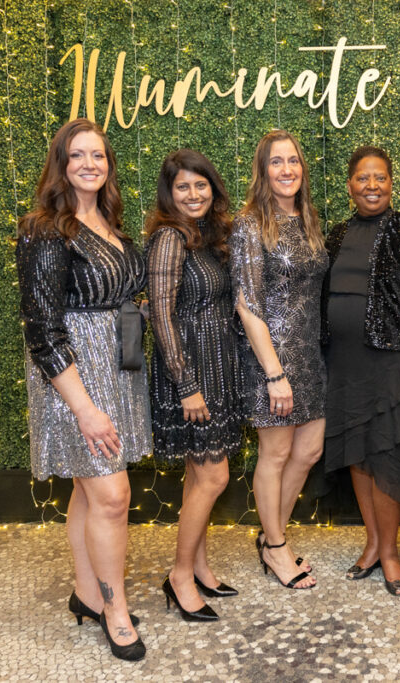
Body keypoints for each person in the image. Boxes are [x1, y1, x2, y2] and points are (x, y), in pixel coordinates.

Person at [16, 118, 149, 661]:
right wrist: (85, 407)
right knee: (113, 496)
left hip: (117, 371)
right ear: (61, 164)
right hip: (74, 378)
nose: (89, 164)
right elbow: (42, 328)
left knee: (89, 490)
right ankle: (115, 611)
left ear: (108, 165)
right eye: (78, 156)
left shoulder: (110, 221)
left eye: (98, 155)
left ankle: (87, 595)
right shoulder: (46, 228)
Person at [320, 146, 400, 596]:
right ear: (349, 184)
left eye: (380, 178)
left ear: (392, 183)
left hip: (394, 364)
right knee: (357, 451)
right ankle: (372, 544)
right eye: (362, 178)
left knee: (387, 456)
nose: (372, 186)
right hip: (344, 365)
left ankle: (390, 553)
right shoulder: (334, 236)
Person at [146, 149, 242, 621]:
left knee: (197, 476)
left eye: (201, 185)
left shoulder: (206, 238)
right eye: (183, 187)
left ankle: (200, 567)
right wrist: (186, 384)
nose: (193, 194)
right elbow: (161, 314)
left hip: (216, 369)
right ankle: (180, 576)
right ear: (170, 194)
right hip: (190, 376)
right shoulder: (169, 239)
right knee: (214, 476)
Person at [230, 130, 328, 590]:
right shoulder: (251, 223)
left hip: (310, 354)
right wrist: (274, 373)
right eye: (276, 162)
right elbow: (247, 303)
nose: (286, 169)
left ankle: (274, 536)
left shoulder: (308, 218)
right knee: (276, 453)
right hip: (272, 359)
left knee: (309, 451)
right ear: (262, 170)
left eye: (293, 161)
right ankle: (274, 547)